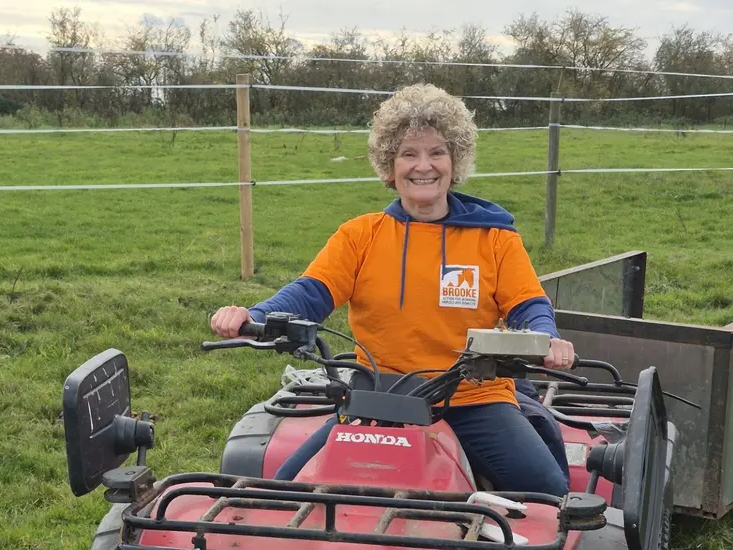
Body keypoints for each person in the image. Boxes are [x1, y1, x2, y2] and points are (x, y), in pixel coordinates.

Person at [210, 83, 573, 497]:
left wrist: (549, 339)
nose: (424, 166)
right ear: (389, 165)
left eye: (437, 152)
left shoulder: (493, 238)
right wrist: (254, 315)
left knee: (547, 490)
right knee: (279, 493)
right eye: (409, 153)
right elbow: (310, 293)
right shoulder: (360, 236)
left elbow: (528, 304)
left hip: (475, 398)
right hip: (379, 398)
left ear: (455, 162)